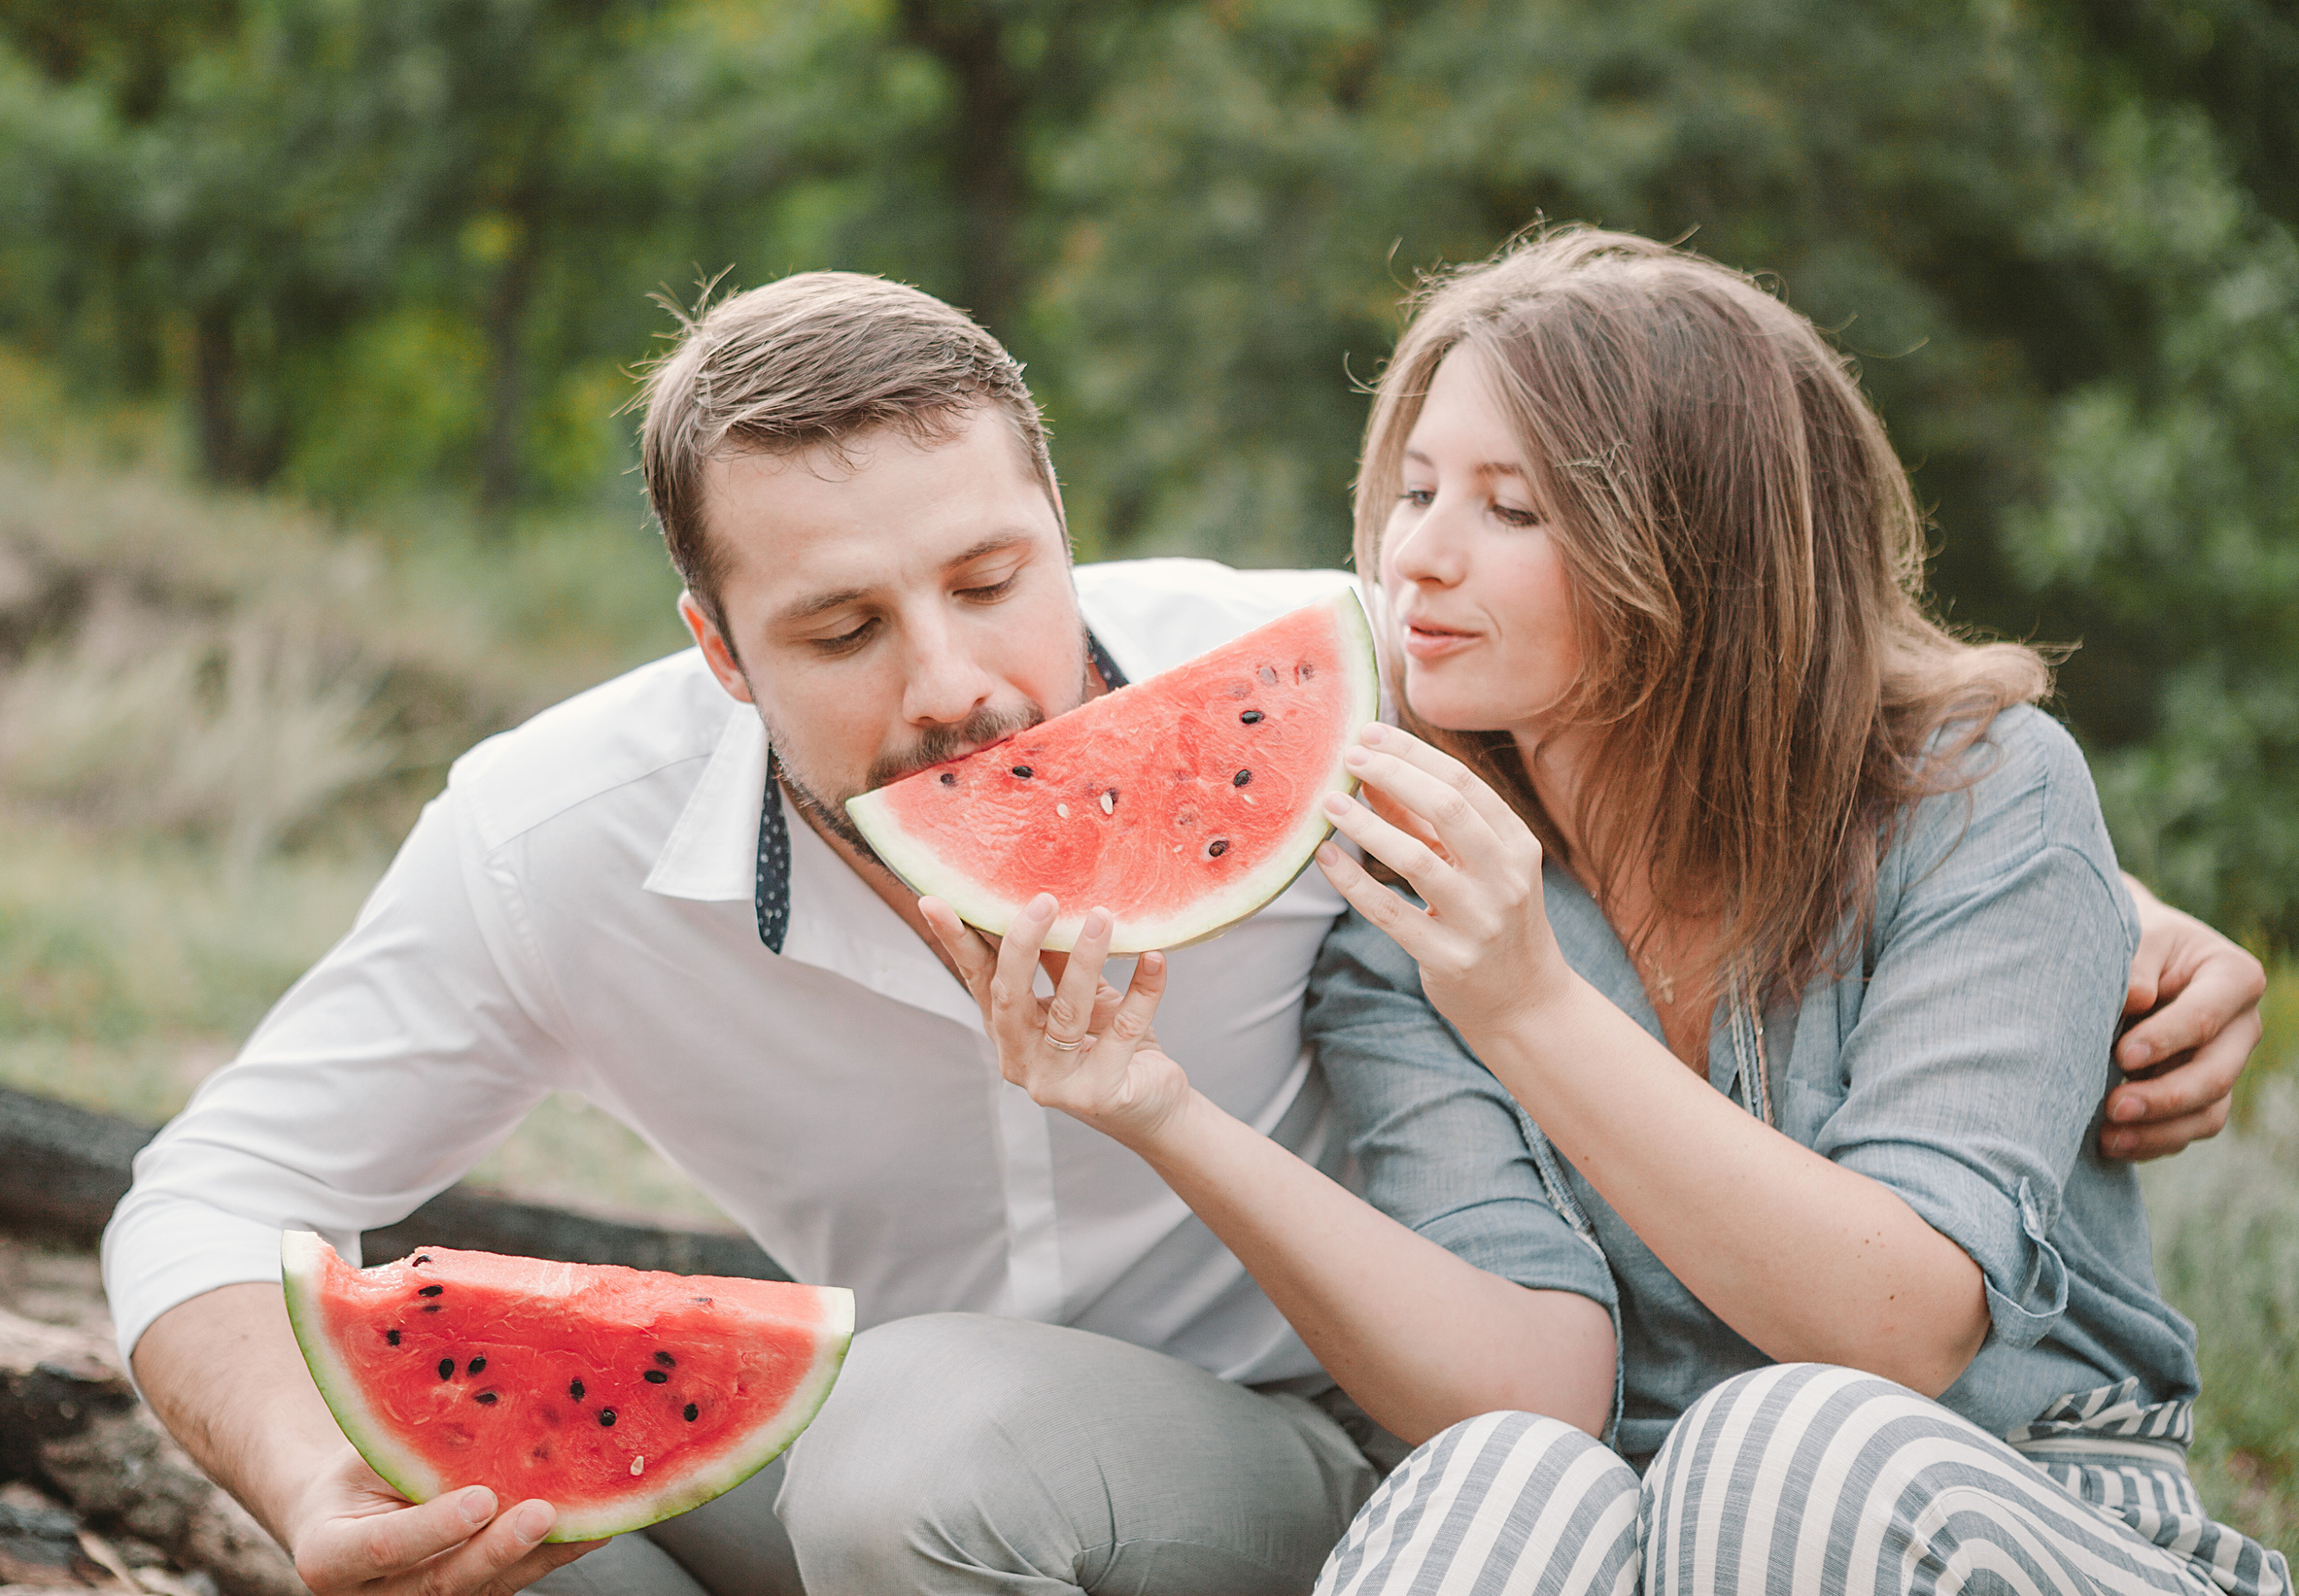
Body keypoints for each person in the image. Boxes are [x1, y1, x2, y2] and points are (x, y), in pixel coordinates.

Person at [104, 269, 2267, 1596]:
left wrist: (2109, 923)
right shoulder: (544, 836)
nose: (954, 680)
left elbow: (1781, 705)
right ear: (715, 649)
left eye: (989, 576)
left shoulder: (1328, 694)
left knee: (934, 1456)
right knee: (497, 1482)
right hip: (1365, 1454)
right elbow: (213, 1186)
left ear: (1063, 520)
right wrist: (309, 1475)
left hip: (1440, 1449)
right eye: (841, 627)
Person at [940, 229, 2286, 1596]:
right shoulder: (1410, 882)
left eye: (1509, 511)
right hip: (1630, 1535)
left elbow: (1899, 1327)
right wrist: (1156, 1108)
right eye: (1414, 491)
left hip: (2019, 1501)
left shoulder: (1984, 795)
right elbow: (1532, 1383)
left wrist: (1525, 1007)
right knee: (1496, 1476)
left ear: (1703, 554)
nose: (1417, 559)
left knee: (1778, 1449)